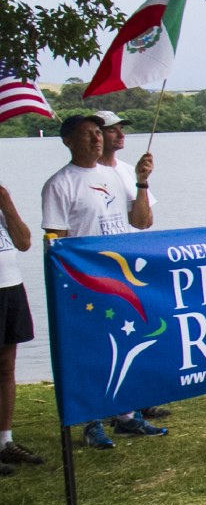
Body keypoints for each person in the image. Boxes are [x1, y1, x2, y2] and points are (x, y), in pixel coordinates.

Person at [40, 113, 166, 447]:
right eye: (86, 134)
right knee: (90, 351)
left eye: (98, 133)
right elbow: (56, 239)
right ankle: (91, 420)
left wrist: (141, 182)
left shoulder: (113, 175)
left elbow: (141, 222)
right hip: (86, 282)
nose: (96, 139)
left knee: (124, 345)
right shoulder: (60, 183)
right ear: (68, 141)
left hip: (121, 278)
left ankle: (126, 416)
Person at [95, 110, 171, 423]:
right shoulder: (81, 175)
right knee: (102, 339)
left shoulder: (127, 171)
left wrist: (141, 182)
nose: (120, 134)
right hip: (94, 269)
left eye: (121, 129)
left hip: (126, 268)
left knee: (135, 333)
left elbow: (142, 222)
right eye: (112, 130)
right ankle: (107, 406)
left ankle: (135, 399)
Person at [0, 181, 43, 476]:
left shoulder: (2, 202)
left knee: (6, 366)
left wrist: (6, 201)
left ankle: (5, 441)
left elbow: (25, 242)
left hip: (10, 287)